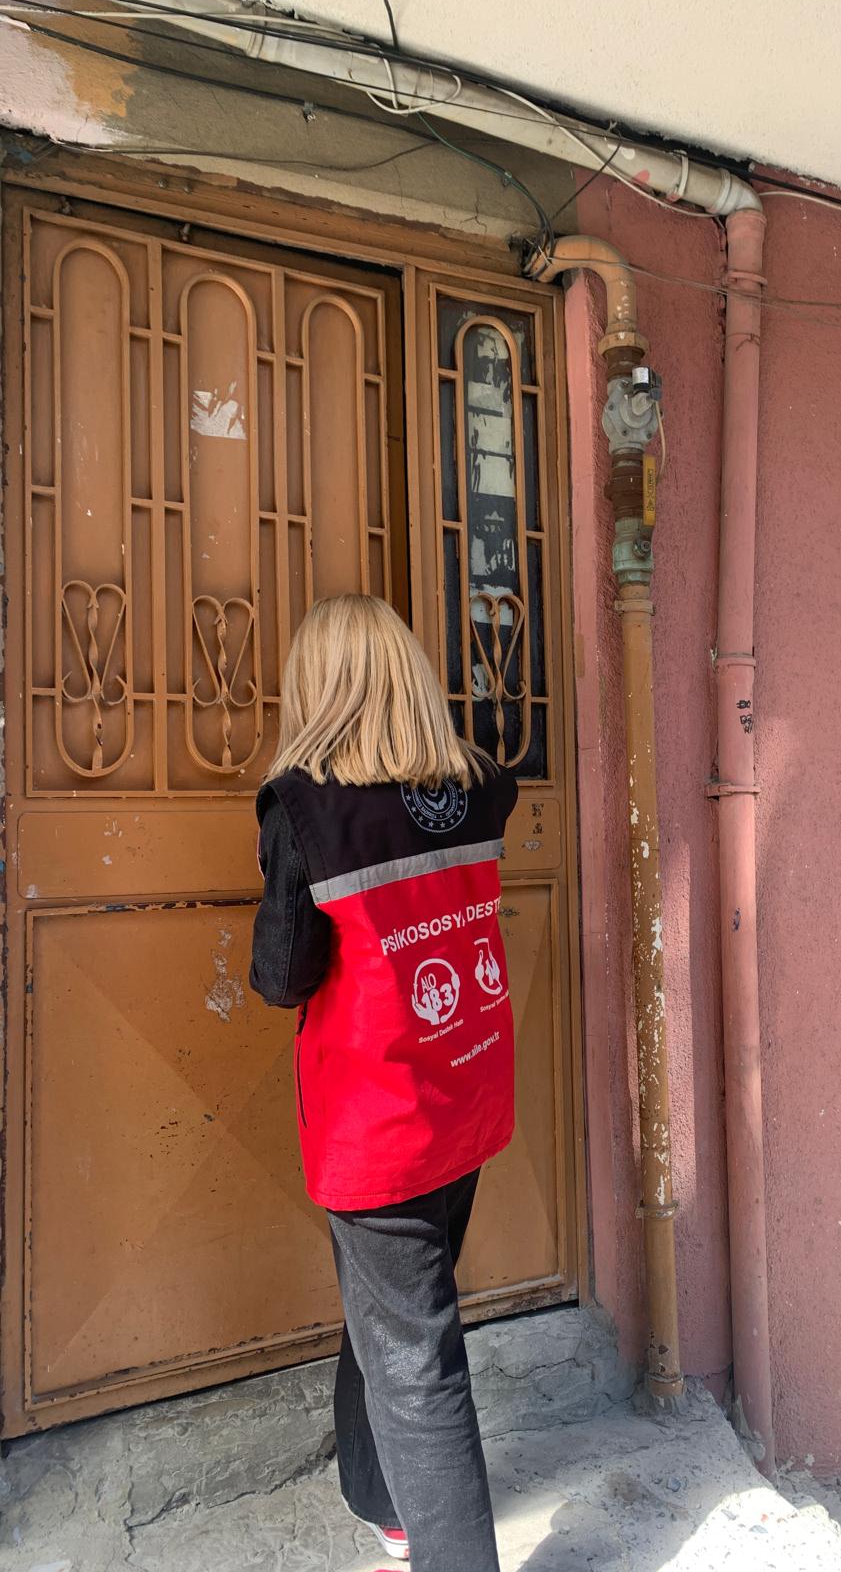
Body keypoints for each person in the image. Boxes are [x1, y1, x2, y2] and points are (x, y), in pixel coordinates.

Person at [249, 593, 518, 1570]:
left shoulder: (306, 806)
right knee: (397, 1315)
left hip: (380, 1121)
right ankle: (383, 1500)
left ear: (317, 687)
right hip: (465, 1085)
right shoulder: (480, 787)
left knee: (415, 1359)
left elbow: (282, 977)